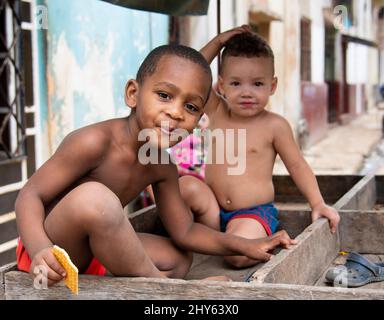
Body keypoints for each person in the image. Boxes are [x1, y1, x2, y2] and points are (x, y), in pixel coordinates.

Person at [15, 43, 296, 287]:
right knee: (96, 197)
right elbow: (30, 195)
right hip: (51, 253)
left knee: (178, 259)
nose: (175, 112)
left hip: (94, 255)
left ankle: (144, 282)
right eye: (164, 95)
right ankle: (167, 290)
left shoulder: (160, 163)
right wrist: (40, 248)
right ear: (133, 94)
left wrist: (247, 245)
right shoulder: (93, 142)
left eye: (191, 107)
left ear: (199, 121)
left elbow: (185, 231)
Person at [179, 26, 340, 269]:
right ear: (220, 86)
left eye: (257, 83)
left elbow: (297, 165)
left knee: (236, 256)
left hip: (251, 214)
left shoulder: (274, 125)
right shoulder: (216, 110)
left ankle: (266, 238)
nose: (246, 92)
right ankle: (194, 237)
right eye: (235, 83)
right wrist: (219, 41)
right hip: (211, 211)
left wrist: (318, 203)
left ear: (272, 86)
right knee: (185, 184)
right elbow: (191, 72)